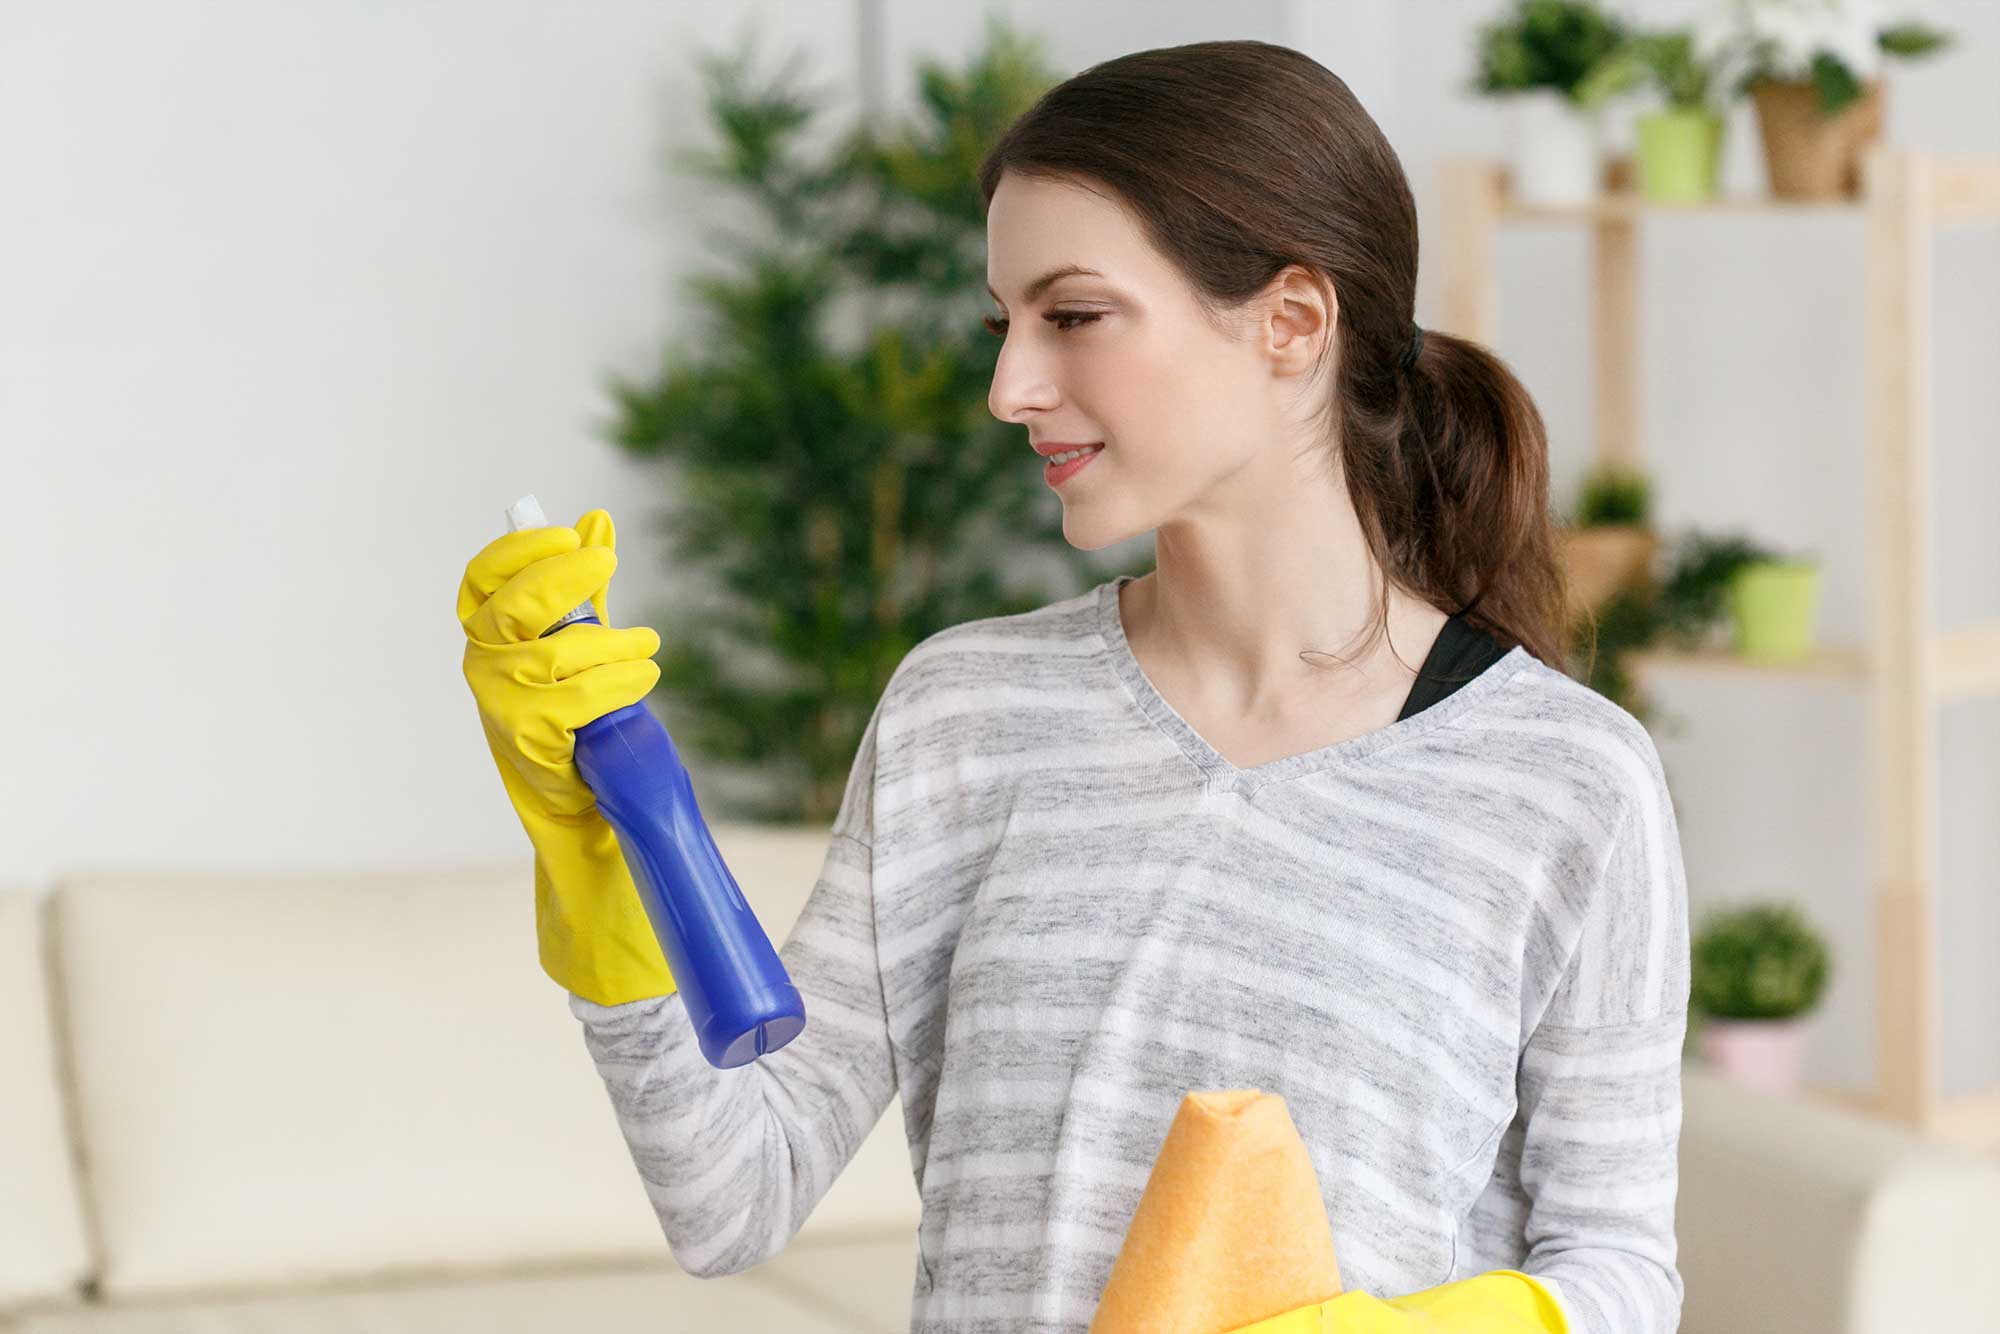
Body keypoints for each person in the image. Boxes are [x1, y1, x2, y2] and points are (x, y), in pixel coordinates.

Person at [456, 38, 1688, 1334]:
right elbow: (731, 1197)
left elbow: (1618, 1266)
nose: (1010, 389)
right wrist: (604, 861)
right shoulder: (965, 714)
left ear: (1292, 322)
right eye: (1005, 325)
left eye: (1075, 316)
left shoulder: (1564, 779)